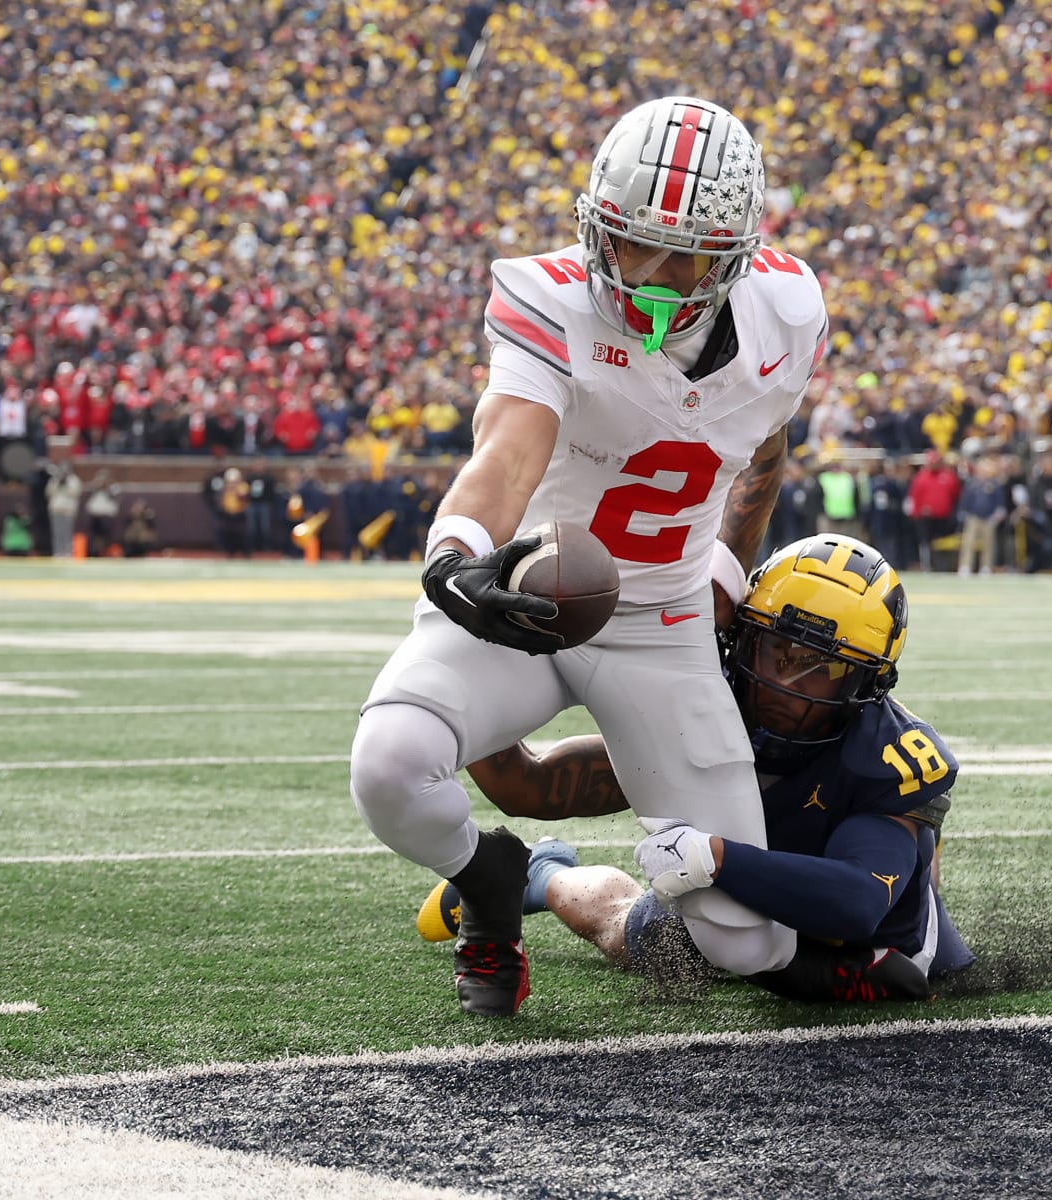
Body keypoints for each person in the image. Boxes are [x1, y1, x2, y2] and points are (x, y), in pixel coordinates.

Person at [349, 96, 828, 1017]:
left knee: (744, 941)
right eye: (625, 240)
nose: (644, 270)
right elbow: (507, 450)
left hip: (665, 621)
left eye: (679, 252)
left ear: (730, 254)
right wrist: (459, 554)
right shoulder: (547, 295)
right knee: (390, 764)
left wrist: (729, 574)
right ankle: (489, 880)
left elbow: (764, 450)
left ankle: (559, 883)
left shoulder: (787, 311)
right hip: (530, 593)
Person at [415, 535, 972, 1003]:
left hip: (836, 916)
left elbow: (856, 904)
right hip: (733, 883)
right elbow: (531, 785)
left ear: (866, 684)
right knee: (625, 929)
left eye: (820, 668)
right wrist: (474, 671)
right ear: (740, 637)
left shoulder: (887, 755)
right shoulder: (706, 697)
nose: (785, 681)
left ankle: (918, 857)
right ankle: (541, 873)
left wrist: (715, 856)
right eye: (774, 648)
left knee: (916, 966)